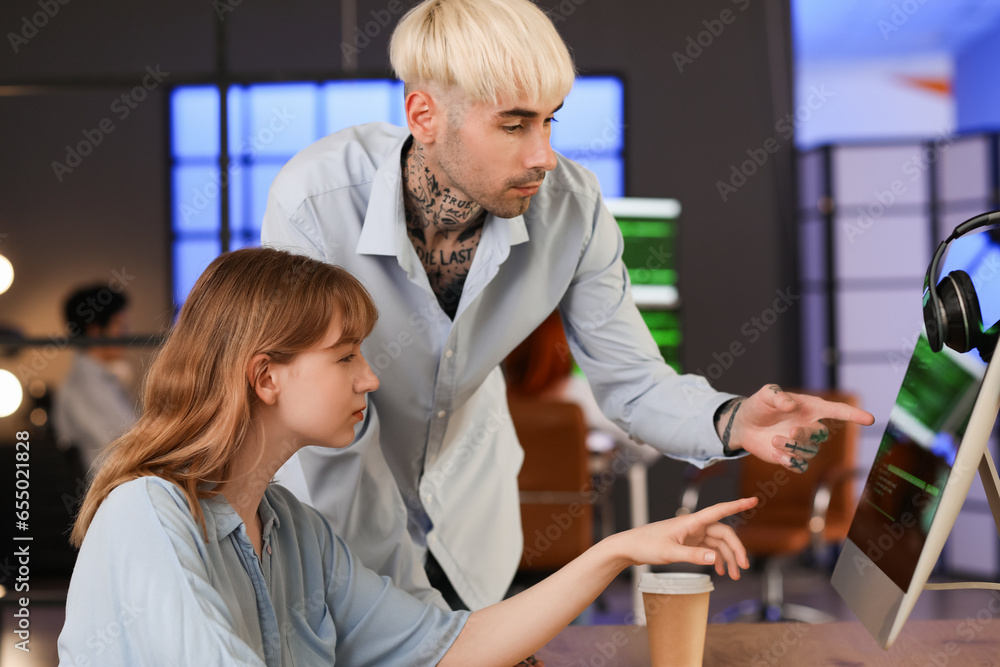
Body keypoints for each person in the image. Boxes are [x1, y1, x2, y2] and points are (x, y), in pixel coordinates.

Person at [261, 0, 874, 617]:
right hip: (335, 519)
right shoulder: (316, 202)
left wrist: (732, 420)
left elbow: (633, 383)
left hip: (471, 526)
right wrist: (401, 615)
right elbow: (319, 420)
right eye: (514, 125)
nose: (543, 156)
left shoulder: (573, 212)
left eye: (550, 121)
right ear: (425, 115)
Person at [56, 247, 757, 666]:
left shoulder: (295, 529)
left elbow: (451, 646)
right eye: (344, 356)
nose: (369, 377)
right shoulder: (147, 516)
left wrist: (619, 550)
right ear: (266, 376)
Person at [52, 283, 138, 475]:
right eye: (120, 325)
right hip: (114, 490)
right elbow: (124, 448)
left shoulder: (101, 379)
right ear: (94, 331)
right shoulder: (84, 386)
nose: (127, 333)